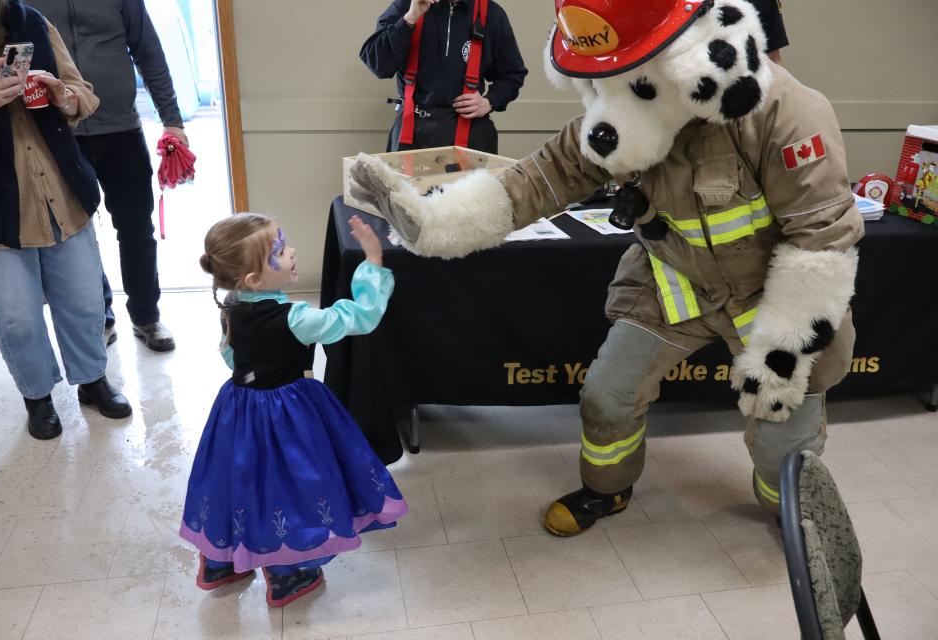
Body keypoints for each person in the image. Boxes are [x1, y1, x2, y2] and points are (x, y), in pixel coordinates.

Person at [351, 0, 862, 537]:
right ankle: (606, 488)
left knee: (782, 426)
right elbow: (532, 183)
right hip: (675, 281)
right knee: (607, 394)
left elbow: (823, 240)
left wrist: (784, 354)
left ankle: (789, 506)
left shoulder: (784, 109)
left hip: (775, 298)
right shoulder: (623, 106)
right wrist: (429, 222)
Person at [179, 213, 407, 608]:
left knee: (237, 482)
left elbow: (232, 357)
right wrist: (373, 262)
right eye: (281, 251)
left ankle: (220, 563)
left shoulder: (231, 306)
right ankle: (287, 575)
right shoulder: (296, 318)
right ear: (253, 278)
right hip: (287, 414)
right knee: (290, 487)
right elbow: (359, 317)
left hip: (237, 409)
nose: (292, 253)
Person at [0, 0, 132, 440]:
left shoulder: (33, 23)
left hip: (62, 191)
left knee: (84, 303)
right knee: (15, 318)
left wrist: (63, 96)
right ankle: (37, 397)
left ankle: (92, 380)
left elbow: (80, 90)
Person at [28, 0, 189, 352]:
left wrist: (172, 120)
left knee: (136, 229)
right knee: (75, 234)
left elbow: (149, 51)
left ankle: (146, 316)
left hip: (122, 130)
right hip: (56, 132)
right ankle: (99, 318)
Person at [360, 0, 528, 153]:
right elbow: (378, 65)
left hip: (470, 136)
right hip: (411, 134)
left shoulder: (491, 13)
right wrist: (410, 19)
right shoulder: (406, 6)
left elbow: (512, 75)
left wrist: (490, 101)